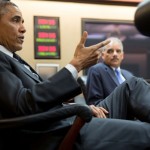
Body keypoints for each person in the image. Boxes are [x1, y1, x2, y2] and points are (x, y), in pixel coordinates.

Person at [0, 1, 150, 150]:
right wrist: (75, 65)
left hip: (71, 117)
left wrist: (77, 106)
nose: (23, 29)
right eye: (15, 20)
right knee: (146, 131)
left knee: (134, 85)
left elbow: (37, 103)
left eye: (23, 22)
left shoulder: (13, 58)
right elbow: (24, 104)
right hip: (61, 131)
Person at [86, 37, 133, 105]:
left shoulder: (129, 75)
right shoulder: (96, 70)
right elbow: (95, 103)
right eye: (110, 51)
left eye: (118, 51)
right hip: (114, 114)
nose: (115, 54)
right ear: (103, 55)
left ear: (122, 55)